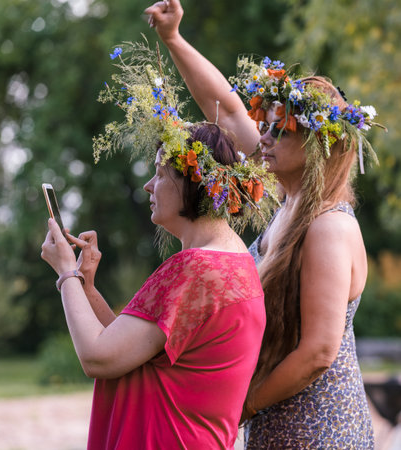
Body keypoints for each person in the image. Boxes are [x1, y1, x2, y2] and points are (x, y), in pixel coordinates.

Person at [145, 0, 385, 447]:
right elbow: (229, 113)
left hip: (321, 432)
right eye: (268, 127)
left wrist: (244, 405)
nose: (267, 138)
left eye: (282, 131)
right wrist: (173, 39)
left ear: (319, 147)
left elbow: (317, 352)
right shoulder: (290, 202)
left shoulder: (329, 227)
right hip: (279, 424)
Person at [41, 37, 278, 448]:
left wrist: (65, 273)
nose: (149, 185)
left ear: (192, 182)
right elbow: (132, 350)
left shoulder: (195, 270)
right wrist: (87, 287)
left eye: (160, 173)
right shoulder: (234, 262)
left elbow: (97, 357)